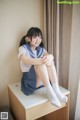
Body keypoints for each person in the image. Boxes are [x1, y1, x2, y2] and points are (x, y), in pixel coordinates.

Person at [18, 27, 67, 107]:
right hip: (29, 82)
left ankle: (56, 92)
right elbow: (26, 60)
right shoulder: (22, 48)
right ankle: (51, 94)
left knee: (49, 62)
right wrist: (42, 60)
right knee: (41, 63)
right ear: (28, 38)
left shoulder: (41, 49)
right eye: (34, 37)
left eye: (40, 37)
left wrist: (50, 57)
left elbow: (48, 56)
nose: (38, 40)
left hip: (41, 82)